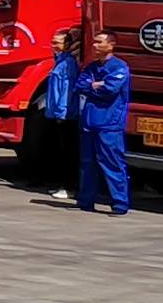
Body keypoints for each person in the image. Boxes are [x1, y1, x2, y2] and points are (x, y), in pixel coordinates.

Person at [56, 26, 134, 215]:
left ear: (111, 44)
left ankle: (119, 203)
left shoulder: (119, 67)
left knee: (112, 163)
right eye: (94, 42)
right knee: (87, 164)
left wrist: (95, 86)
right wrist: (96, 85)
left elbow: (110, 90)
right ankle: (85, 200)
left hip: (109, 125)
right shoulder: (90, 67)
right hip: (88, 124)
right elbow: (80, 85)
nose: (95, 45)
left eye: (99, 42)